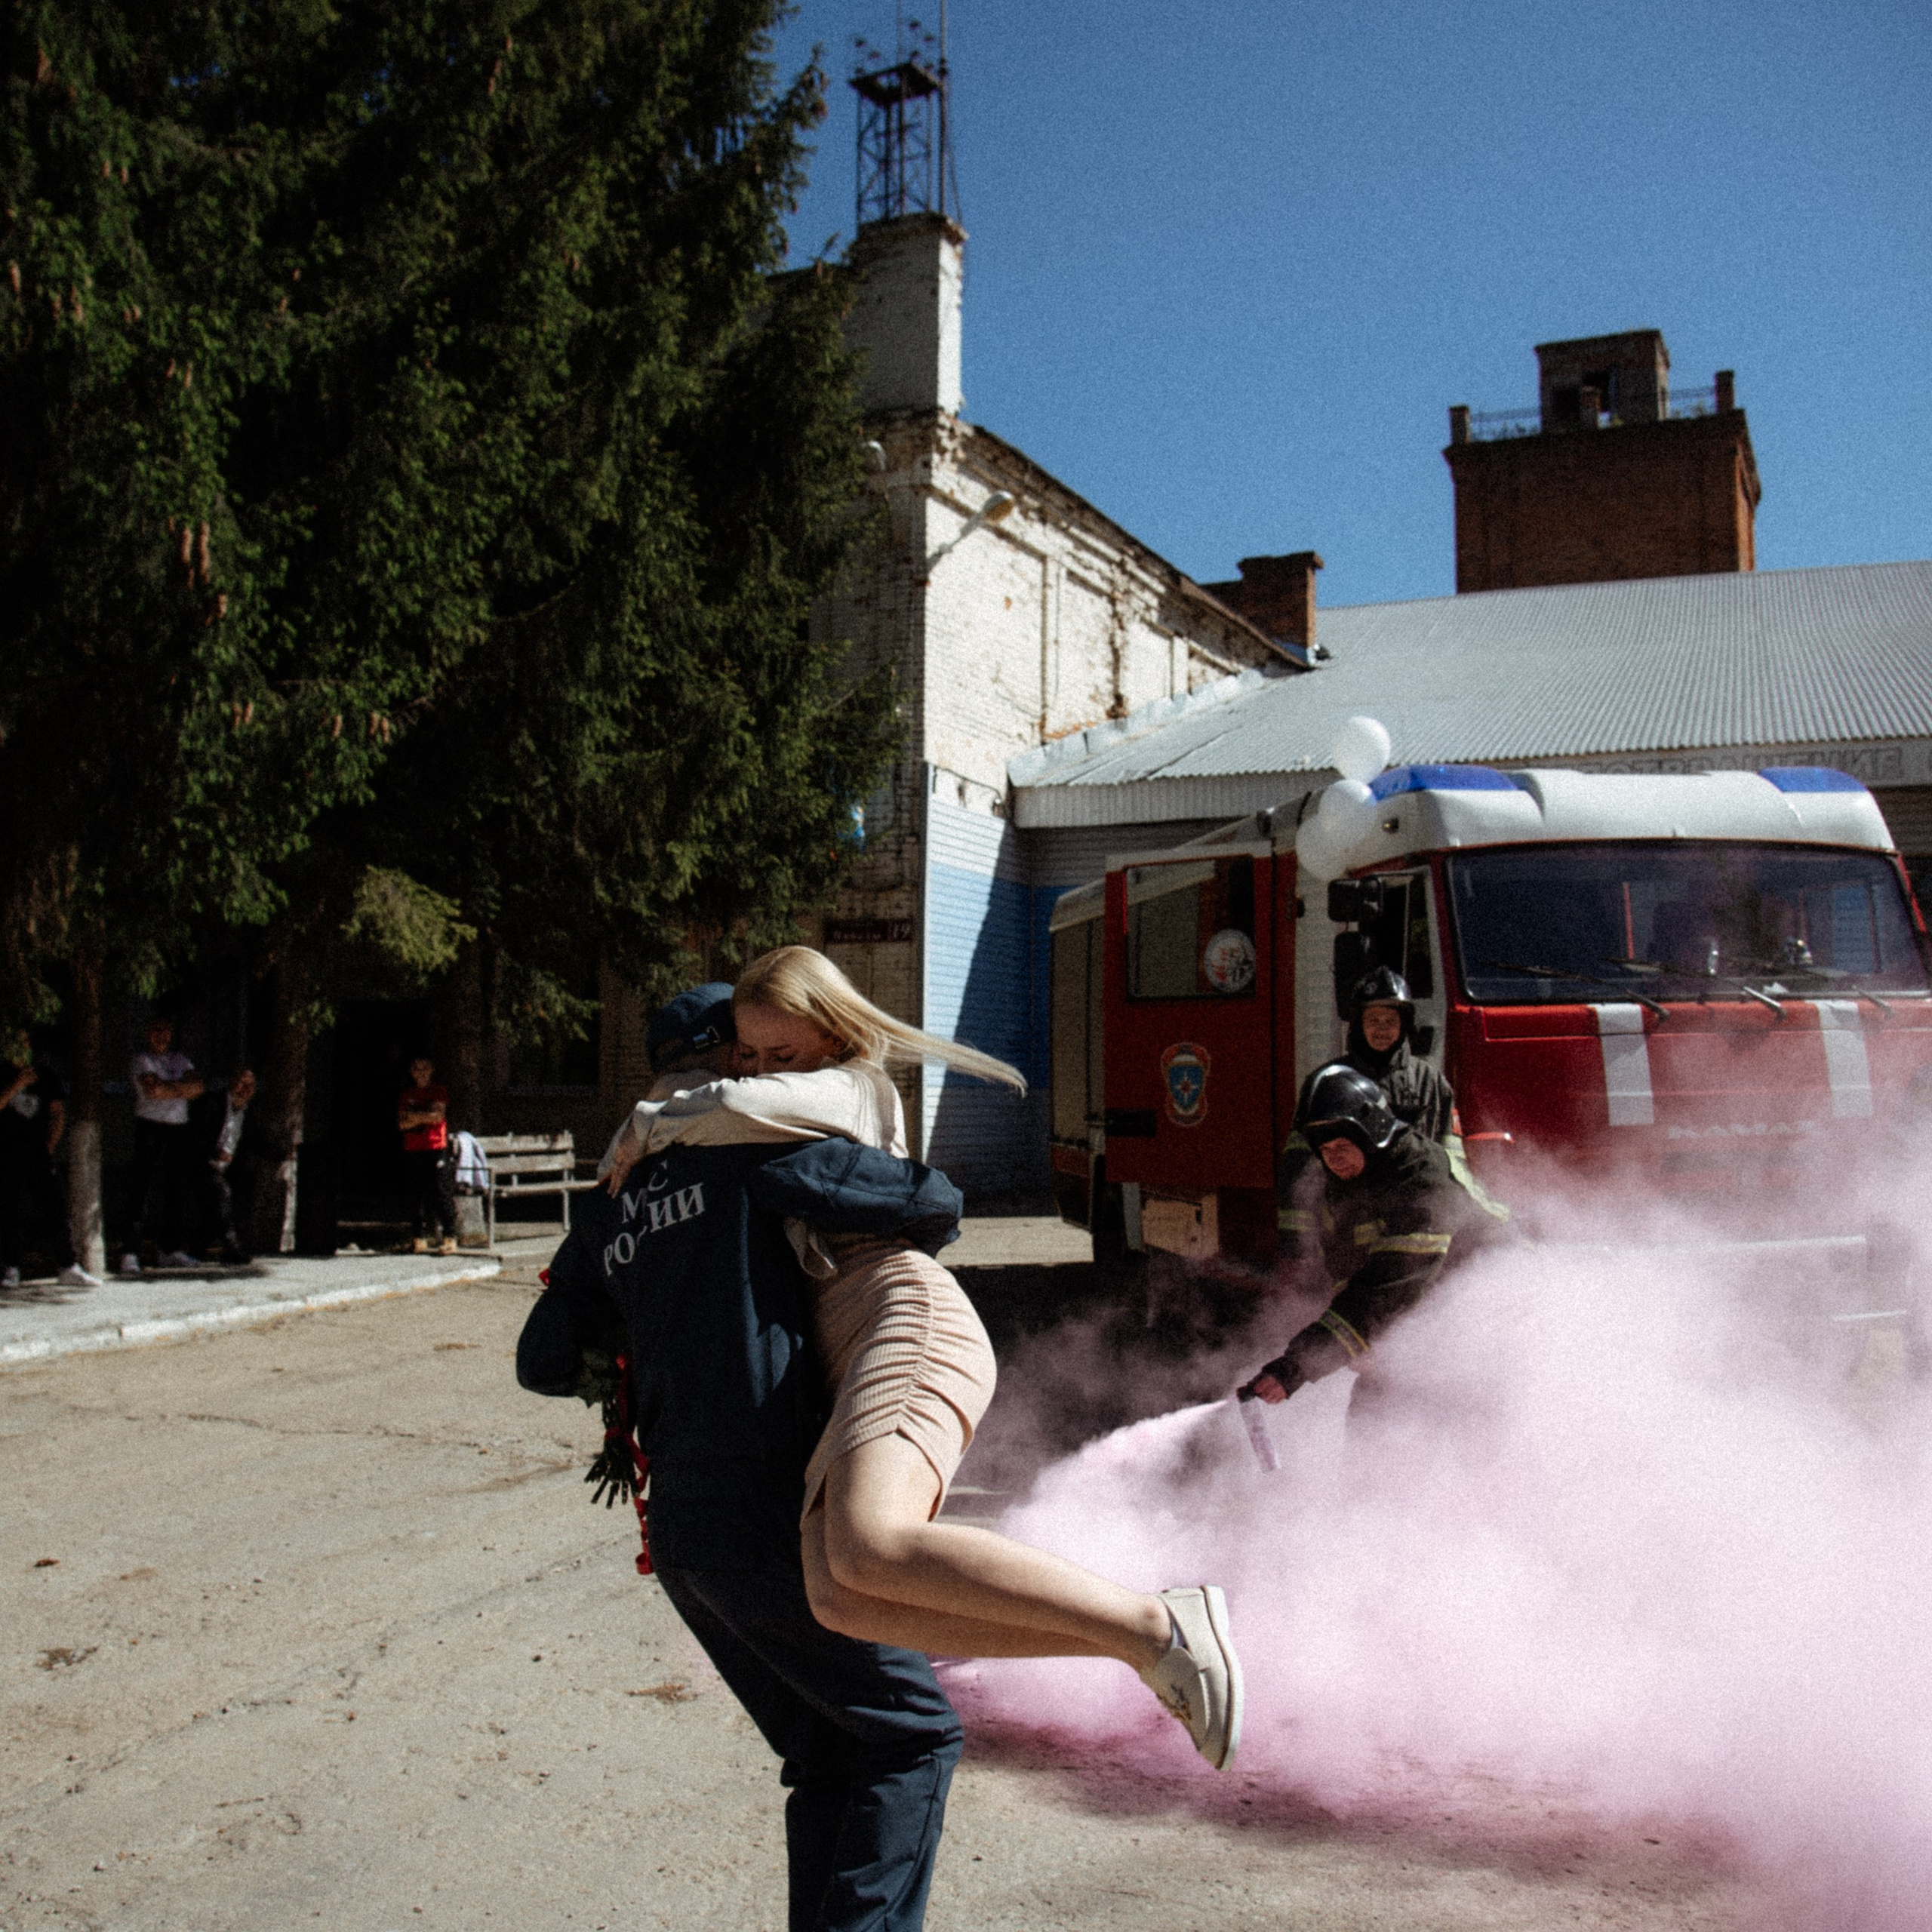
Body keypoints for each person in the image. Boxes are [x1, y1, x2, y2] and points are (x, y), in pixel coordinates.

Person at [604, 946, 1243, 1773]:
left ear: (834, 1036)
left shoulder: (850, 1087)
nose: (761, 1071)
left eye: (782, 1054)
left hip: (900, 1319)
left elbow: (732, 1104)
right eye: (749, 1052)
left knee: (870, 1541)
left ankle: (1157, 1625)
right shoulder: (756, 1105)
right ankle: (1133, 1643)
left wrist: (644, 1123)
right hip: (851, 1340)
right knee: (839, 1596)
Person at [518, 986, 970, 1932]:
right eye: (758, 1057)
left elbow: (541, 1359)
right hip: (768, 1509)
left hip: (682, 1536)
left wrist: (643, 1331)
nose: (772, 1073)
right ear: (728, 1061)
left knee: (832, 1755)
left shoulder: (610, 1200)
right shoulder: (759, 1155)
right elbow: (929, 1202)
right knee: (908, 1740)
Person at [1247, 1061, 1500, 1416]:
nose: (1333, 1158)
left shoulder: (1422, 1178)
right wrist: (1355, 1345)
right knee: (1373, 1410)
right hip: (1427, 1300)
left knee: (1454, 1416)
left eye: (1342, 1145)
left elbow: (1388, 1288)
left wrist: (1296, 1368)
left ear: (1371, 1134)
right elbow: (1349, 1272)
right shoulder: (1343, 1184)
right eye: (1325, 1149)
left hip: (1497, 1306)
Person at [0, 1031, 97, 1290]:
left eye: (26, 1042)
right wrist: (15, 1086)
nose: (22, 1047)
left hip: (37, 1154)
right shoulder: (3, 1074)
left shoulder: (45, 1074)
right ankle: (11, 1268)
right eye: (16, 1043)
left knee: (55, 1207)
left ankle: (68, 1266)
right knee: (9, 1211)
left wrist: (50, 1144)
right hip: (7, 1154)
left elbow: (57, 1114)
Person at [124, 1015, 204, 1275]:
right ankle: (130, 1252)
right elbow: (153, 1090)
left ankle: (171, 1250)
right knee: (142, 1190)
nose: (161, 1036)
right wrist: (181, 1089)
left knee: (177, 1189)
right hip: (151, 1127)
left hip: (178, 1128)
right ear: (147, 1033)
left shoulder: (180, 1060)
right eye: (156, 1030)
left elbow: (198, 1087)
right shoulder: (142, 1061)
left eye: (165, 1030)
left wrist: (171, 1088)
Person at [191, 1067, 272, 1265]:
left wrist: (284, 1154)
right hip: (201, 1164)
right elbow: (194, 1137)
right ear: (230, 1083)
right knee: (221, 1196)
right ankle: (232, 1248)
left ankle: (196, 1252)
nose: (245, 1090)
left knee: (218, 1209)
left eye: (250, 1086)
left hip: (228, 1169)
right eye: (241, 1084)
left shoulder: (247, 1112)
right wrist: (214, 1153)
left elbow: (257, 1141)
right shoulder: (212, 1104)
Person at [397, 1056, 457, 1255]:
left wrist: (415, 1117)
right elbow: (402, 1124)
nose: (421, 1073)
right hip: (413, 1148)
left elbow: (437, 1116)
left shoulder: (437, 1091)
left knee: (440, 1191)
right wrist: (424, 1117)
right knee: (415, 1194)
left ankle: (450, 1236)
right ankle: (418, 1237)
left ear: (431, 1071)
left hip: (435, 1146)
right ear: (411, 1072)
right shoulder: (407, 1094)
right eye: (416, 1069)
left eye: (425, 1068)